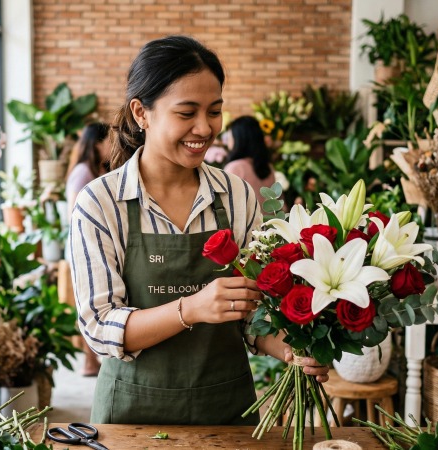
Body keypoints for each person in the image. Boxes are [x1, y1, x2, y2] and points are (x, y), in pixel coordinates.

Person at [67, 35, 328, 426]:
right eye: (186, 112)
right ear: (141, 113)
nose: (204, 128)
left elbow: (252, 315)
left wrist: (293, 351)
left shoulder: (236, 195)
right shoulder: (100, 203)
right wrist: (191, 309)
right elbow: (100, 328)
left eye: (215, 111)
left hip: (226, 409)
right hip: (131, 415)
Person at [65, 122, 111, 377]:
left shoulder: (95, 170)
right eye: (109, 140)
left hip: (92, 244)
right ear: (97, 143)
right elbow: (75, 214)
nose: (113, 145)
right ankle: (89, 362)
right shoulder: (83, 172)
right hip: (81, 245)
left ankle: (93, 361)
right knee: (89, 303)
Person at [223, 115, 276, 209]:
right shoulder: (268, 167)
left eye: (229, 137)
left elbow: (225, 206)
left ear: (238, 138)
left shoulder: (235, 168)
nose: (227, 142)